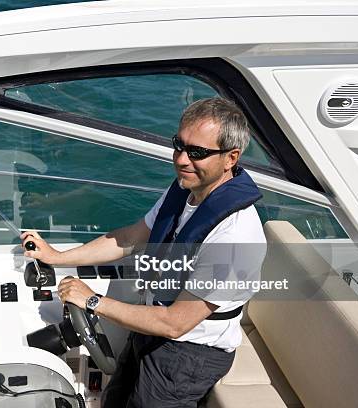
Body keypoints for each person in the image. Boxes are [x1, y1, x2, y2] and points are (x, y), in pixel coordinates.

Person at [20, 97, 267, 407]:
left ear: (231, 158)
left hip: (188, 356)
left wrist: (92, 299)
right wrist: (57, 257)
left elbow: (175, 323)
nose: (181, 159)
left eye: (197, 153)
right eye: (179, 145)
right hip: (151, 328)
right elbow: (130, 238)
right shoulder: (185, 190)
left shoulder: (235, 237)